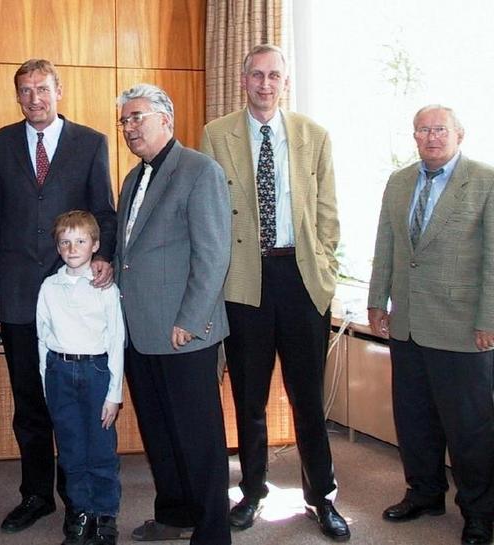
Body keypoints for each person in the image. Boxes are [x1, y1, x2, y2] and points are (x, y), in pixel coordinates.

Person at [200, 44, 348, 541]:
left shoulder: (314, 135)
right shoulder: (216, 134)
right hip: (245, 281)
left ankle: (321, 497)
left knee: (307, 397)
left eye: (274, 76)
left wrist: (324, 263)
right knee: (249, 398)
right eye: (257, 76)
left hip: (302, 280)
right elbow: (212, 210)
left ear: (285, 82)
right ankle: (253, 492)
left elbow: (328, 212)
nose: (266, 84)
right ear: (244, 81)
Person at [0, 58, 117, 535]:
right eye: (25, 91)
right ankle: (36, 494)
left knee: (76, 402)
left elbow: (103, 210)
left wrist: (105, 259)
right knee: (30, 403)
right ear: (17, 95)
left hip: (75, 295)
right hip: (19, 296)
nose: (34, 99)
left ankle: (77, 499)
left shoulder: (90, 142)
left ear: (59, 91)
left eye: (42, 89)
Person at [368, 105, 494, 545]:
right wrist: (375, 300)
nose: (431, 137)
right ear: (414, 136)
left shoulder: (485, 180)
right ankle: (424, 492)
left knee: (470, 427)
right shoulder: (400, 182)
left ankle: (479, 512)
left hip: (463, 328)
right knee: (415, 418)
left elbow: (493, 258)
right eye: (422, 130)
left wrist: (489, 319)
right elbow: (385, 244)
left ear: (460, 133)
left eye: (440, 129)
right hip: (408, 324)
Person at [114, 83, 231, 545]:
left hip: (185, 332)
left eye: (137, 117)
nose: (129, 127)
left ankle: (212, 532)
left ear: (167, 118)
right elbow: (131, 253)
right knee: (160, 434)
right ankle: (175, 513)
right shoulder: (132, 178)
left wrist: (192, 318)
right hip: (139, 332)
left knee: (199, 439)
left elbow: (213, 253)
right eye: (124, 120)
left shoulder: (200, 171)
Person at [36, 210, 125, 545]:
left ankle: (105, 515)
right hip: (60, 373)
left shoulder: (105, 288)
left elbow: (116, 339)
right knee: (71, 450)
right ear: (58, 247)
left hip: (97, 372)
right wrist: (48, 384)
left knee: (101, 450)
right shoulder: (49, 287)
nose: (72, 248)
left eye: (81, 241)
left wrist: (114, 393)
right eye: (65, 242)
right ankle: (81, 511)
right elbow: (42, 339)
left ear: (95, 245)